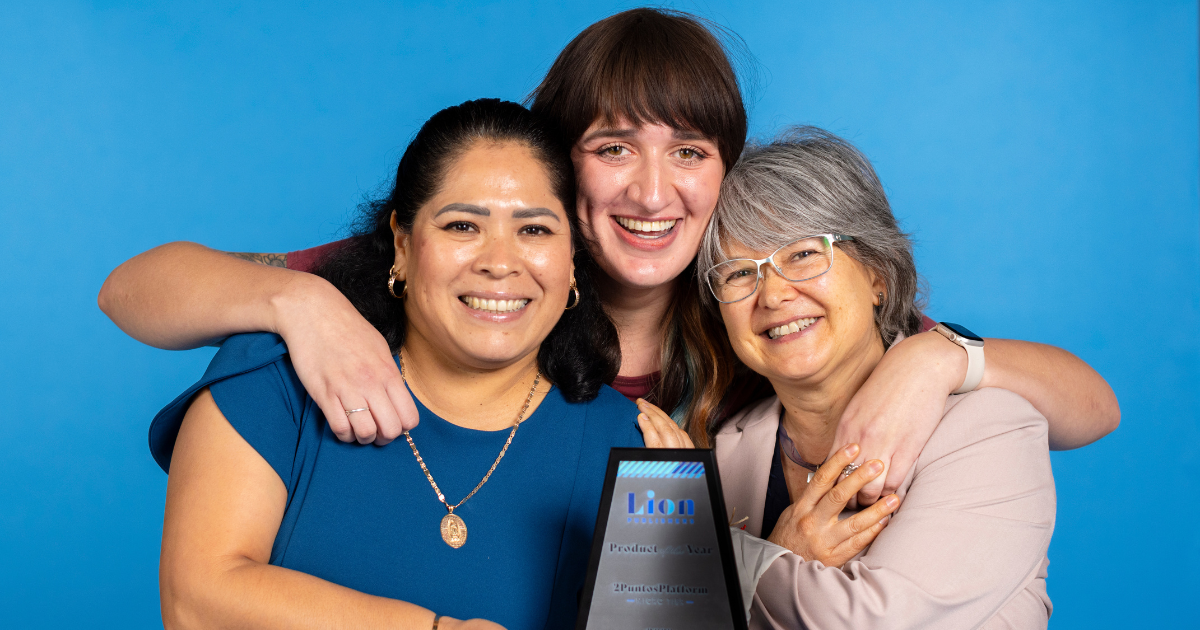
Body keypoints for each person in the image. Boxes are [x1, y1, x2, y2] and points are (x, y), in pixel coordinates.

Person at [98, 8, 1118, 505]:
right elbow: (134, 292)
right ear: (558, 165)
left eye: (689, 152)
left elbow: (1087, 409)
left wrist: (944, 358)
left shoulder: (766, 313)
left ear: (726, 172)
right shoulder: (475, 280)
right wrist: (297, 304)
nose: (651, 190)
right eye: (611, 148)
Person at [153, 99, 643, 629]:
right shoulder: (275, 377)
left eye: (535, 231)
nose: (500, 262)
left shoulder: (629, 444)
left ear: (573, 260)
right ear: (403, 246)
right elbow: (196, 603)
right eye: (461, 226)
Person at [675, 127, 1055, 628]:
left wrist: (701, 546)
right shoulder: (719, 450)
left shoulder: (991, 430)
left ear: (877, 273)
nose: (772, 295)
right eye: (740, 273)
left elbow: (870, 620)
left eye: (804, 253)